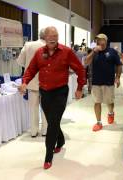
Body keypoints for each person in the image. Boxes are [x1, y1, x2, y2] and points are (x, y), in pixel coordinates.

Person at [19, 26, 86, 169]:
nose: (53, 38)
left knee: (52, 123)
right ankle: (60, 140)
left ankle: (48, 155)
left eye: (55, 36)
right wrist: (24, 82)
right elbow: (31, 69)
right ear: (45, 37)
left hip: (60, 93)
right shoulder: (39, 53)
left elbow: (80, 69)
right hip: (45, 92)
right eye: (50, 36)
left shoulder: (66, 52)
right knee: (52, 121)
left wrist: (80, 88)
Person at [85, 33, 122, 132]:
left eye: (101, 39)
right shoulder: (93, 51)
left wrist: (117, 77)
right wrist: (93, 52)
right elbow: (86, 62)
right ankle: (99, 122)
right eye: (97, 40)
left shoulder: (112, 52)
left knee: (109, 102)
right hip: (96, 82)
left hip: (108, 82)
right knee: (97, 102)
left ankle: (110, 113)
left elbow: (119, 65)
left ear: (105, 41)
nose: (98, 41)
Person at [17, 29, 47, 138]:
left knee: (33, 109)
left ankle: (34, 131)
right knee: (46, 108)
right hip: (46, 83)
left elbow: (20, 62)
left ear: (39, 35)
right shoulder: (51, 47)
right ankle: (45, 131)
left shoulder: (28, 45)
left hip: (31, 82)